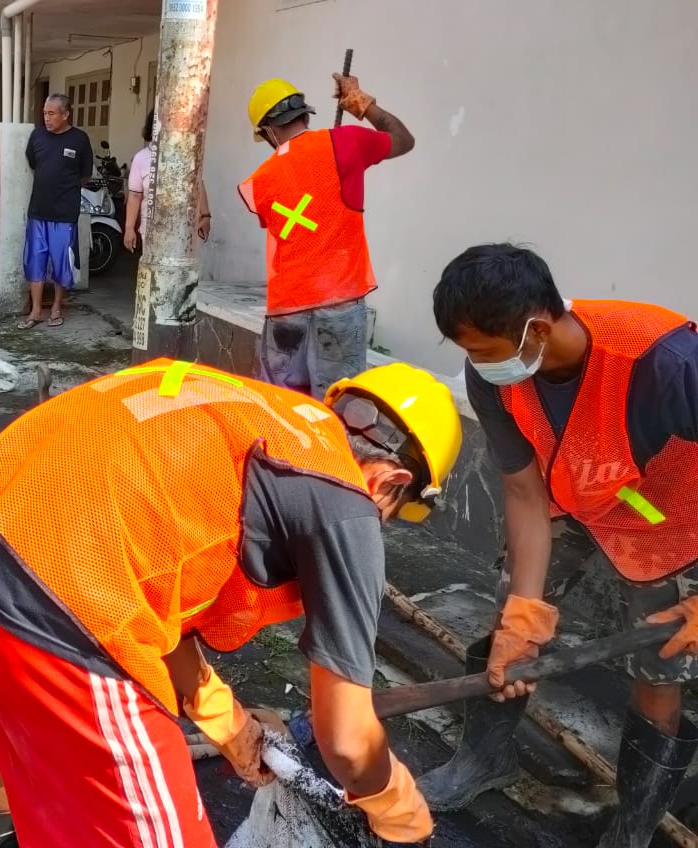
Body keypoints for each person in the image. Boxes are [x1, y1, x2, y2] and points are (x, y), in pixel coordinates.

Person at [0, 357, 462, 848]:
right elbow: (347, 740)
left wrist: (229, 725)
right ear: (393, 481)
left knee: (2, 752)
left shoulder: (264, 414)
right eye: (394, 514)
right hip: (64, 602)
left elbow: (160, 593)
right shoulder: (346, 500)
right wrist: (403, 815)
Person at [425, 243, 698, 845]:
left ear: (537, 329)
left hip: (672, 522)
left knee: (660, 666)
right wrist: (524, 620)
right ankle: (486, 759)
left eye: (483, 351)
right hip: (575, 498)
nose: (476, 363)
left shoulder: (668, 362)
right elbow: (524, 492)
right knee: (508, 630)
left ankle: (632, 828)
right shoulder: (495, 375)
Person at [237, 74, 414, 398]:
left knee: (284, 405)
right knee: (337, 405)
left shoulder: (259, 181)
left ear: (268, 132)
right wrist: (362, 102)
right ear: (305, 114)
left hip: (286, 308)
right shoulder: (346, 143)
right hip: (341, 302)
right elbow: (403, 139)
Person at [19, 93, 92, 329]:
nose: (46, 118)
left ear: (66, 114)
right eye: (44, 113)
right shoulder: (37, 136)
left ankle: (57, 308)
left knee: (62, 264)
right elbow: (33, 163)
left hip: (64, 214)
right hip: (38, 211)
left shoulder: (80, 139)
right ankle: (36, 311)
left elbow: (85, 176)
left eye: (51, 114)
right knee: (35, 262)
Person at [124, 107, 211, 254]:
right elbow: (134, 196)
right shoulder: (141, 158)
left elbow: (198, 185)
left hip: (183, 232)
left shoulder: (186, 156)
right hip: (151, 232)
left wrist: (206, 215)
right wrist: (129, 228)